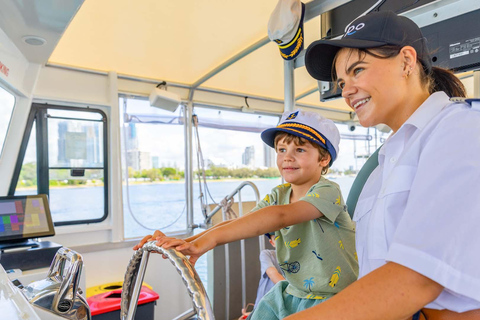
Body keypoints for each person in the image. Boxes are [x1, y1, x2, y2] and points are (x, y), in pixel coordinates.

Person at [286, 10, 480, 320]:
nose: (346, 91)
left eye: (358, 70)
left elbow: (419, 277)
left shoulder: (462, 127)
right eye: (341, 81)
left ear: (406, 61)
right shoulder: (380, 171)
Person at [135, 110, 358, 319]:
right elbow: (245, 222)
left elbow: (279, 216)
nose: (287, 158)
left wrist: (207, 242)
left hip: (335, 297)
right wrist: (187, 242)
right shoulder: (278, 194)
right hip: (293, 292)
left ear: (324, 159)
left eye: (299, 150)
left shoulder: (328, 192)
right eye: (281, 150)